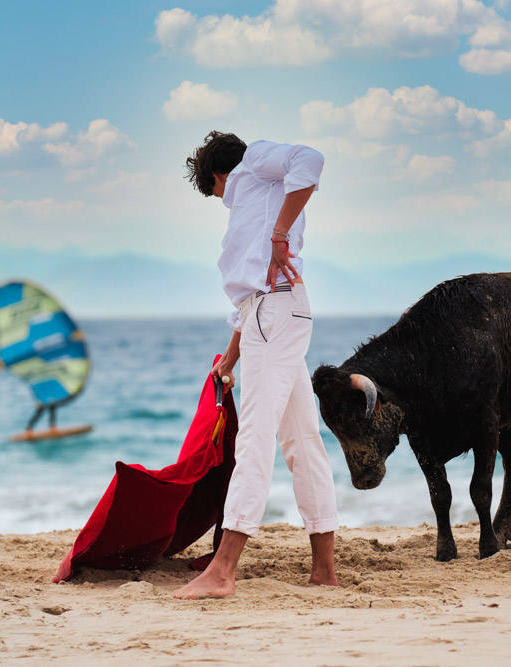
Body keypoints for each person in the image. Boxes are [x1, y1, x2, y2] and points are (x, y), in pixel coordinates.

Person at [173, 132, 339, 599]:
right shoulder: (256, 186)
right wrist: (229, 358)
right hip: (272, 312)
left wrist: (280, 234)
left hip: (276, 311)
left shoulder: (254, 164)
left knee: (256, 438)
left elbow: (311, 158)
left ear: (218, 176)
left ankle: (223, 571)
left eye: (216, 193)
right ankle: (324, 571)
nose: (222, 203)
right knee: (302, 442)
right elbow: (248, 300)